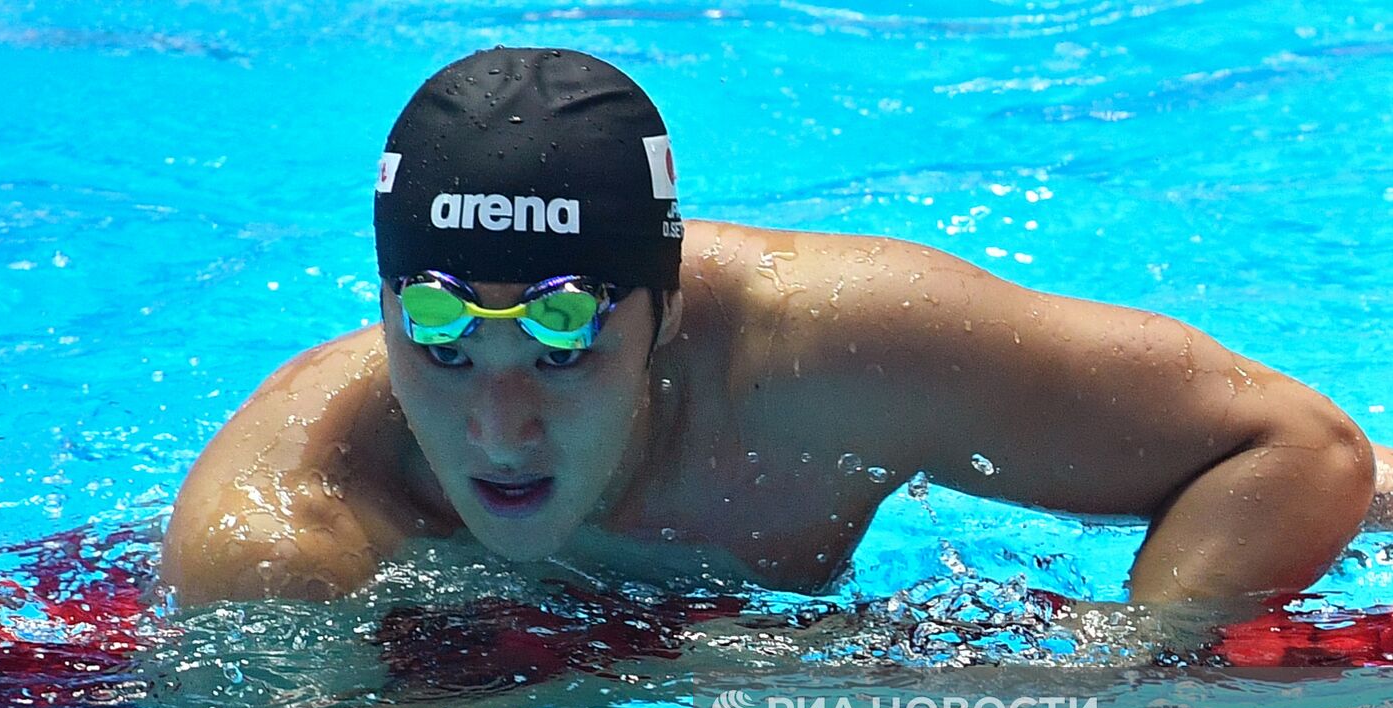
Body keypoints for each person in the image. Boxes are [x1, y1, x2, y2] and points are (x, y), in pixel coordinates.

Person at [161, 46, 1393, 628]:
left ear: (668, 312)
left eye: (561, 348)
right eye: (440, 348)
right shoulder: (281, 538)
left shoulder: (835, 354)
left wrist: (1120, 668)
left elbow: (1297, 449)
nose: (498, 429)